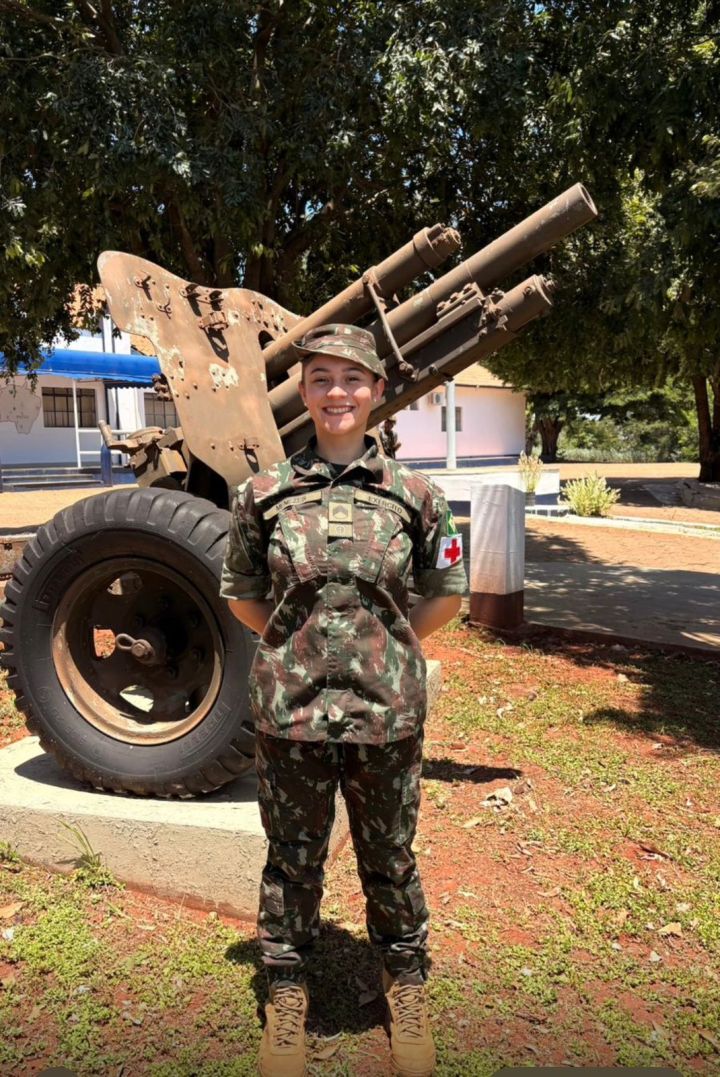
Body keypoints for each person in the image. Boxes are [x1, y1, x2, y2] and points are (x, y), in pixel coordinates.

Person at [221, 324, 468, 1077]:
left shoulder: (415, 495)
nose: (337, 392)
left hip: (385, 713)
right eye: (322, 376)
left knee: (389, 856)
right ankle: (287, 991)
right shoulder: (261, 495)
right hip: (291, 713)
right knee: (291, 859)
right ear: (304, 389)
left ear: (376, 391)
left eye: (353, 378)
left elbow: (446, 594)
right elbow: (244, 597)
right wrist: (299, 650)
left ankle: (404, 979)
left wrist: (388, 650)